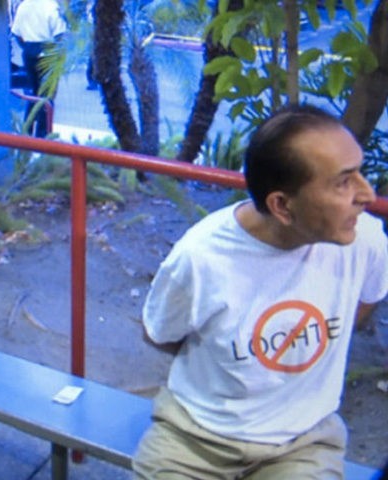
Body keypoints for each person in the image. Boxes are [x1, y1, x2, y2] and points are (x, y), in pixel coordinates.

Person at [133, 104, 388, 479]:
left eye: (360, 173)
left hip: (304, 444)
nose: (366, 194)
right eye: (343, 182)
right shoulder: (202, 257)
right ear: (282, 205)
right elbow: (160, 333)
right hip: (193, 439)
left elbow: (366, 298)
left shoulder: (364, 240)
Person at [11, 0, 66, 138]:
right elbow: (60, 34)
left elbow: (16, 33)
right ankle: (43, 134)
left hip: (29, 51)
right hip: (48, 51)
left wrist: (27, 48)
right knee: (47, 95)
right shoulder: (51, 6)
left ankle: (27, 130)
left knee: (32, 93)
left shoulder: (24, 6)